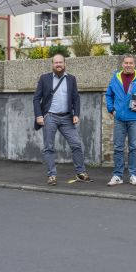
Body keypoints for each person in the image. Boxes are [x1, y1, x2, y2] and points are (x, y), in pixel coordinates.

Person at [33, 54, 89, 186]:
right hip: (50, 117)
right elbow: (36, 98)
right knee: (49, 147)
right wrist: (39, 115)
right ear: (52, 65)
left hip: (67, 117)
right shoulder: (44, 78)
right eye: (56, 63)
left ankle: (80, 172)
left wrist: (77, 114)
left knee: (76, 144)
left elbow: (76, 98)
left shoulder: (71, 79)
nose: (58, 65)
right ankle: (52, 175)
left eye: (61, 62)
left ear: (65, 64)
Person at [105, 54, 136, 186]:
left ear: (134, 65)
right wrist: (111, 109)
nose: (128, 65)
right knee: (118, 147)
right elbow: (108, 94)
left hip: (135, 118)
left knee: (134, 147)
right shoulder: (116, 78)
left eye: (130, 63)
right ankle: (117, 175)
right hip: (119, 118)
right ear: (122, 64)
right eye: (126, 63)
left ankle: (133, 175)